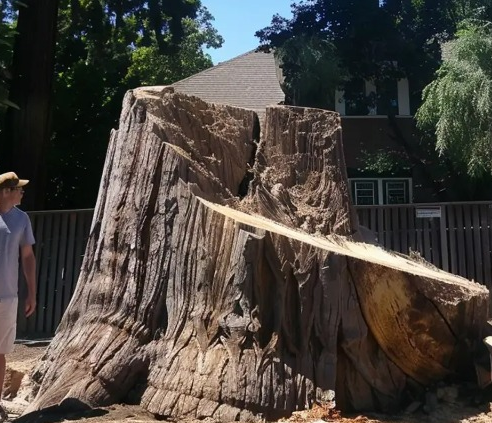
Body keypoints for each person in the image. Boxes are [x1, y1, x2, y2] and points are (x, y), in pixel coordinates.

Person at [0, 172, 36, 421]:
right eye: (18, 189)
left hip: (7, 297)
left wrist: (31, 293)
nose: (22, 192)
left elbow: (27, 257)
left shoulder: (22, 219)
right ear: (5, 191)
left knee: (0, 352)